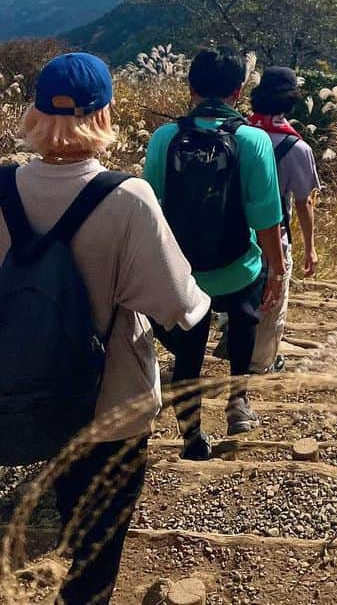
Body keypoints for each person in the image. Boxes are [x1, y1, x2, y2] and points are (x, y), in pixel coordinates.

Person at [0, 53, 209, 605]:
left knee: (69, 503)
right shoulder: (126, 198)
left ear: (35, 114)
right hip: (110, 403)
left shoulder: (0, 188)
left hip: (19, 390)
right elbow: (182, 308)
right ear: (105, 113)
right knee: (97, 547)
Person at [144, 47, 285, 454]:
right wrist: (275, 271)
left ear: (190, 87)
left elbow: (149, 210)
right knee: (244, 319)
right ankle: (238, 402)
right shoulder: (253, 141)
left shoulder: (165, 138)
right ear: (238, 91)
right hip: (238, 266)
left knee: (189, 347)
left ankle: (191, 436)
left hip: (182, 271)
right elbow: (266, 218)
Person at [247, 66, 320, 373]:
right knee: (272, 301)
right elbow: (304, 203)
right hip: (275, 237)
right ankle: (262, 361)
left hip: (234, 233)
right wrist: (310, 247)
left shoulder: (240, 134)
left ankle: (235, 341)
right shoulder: (297, 147)